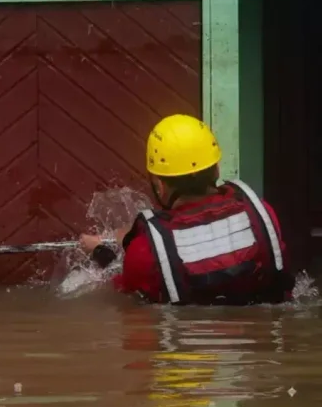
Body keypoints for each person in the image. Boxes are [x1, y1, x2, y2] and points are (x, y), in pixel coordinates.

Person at [79, 114, 295, 305]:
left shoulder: (144, 252)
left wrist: (101, 252)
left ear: (159, 185)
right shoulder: (262, 215)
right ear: (217, 168)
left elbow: (123, 290)